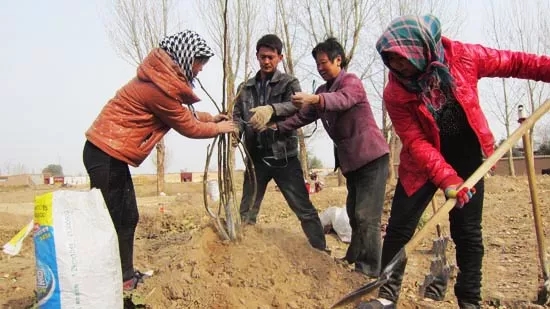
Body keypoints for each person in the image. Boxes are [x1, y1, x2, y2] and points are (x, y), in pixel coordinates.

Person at [359, 14, 550, 309]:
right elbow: (416, 141)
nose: (397, 67)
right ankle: (386, 295)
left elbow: (514, 62)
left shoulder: (464, 57)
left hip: (467, 157)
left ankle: (469, 300)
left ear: (422, 49)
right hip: (422, 164)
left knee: (468, 232)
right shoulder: (395, 93)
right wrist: (446, 179)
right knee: (399, 228)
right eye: (391, 60)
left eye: (402, 59)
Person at [83, 30, 236, 291]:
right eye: (199, 63)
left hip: (107, 153)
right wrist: (220, 128)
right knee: (119, 218)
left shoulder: (161, 84)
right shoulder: (158, 90)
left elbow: (185, 114)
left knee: (125, 217)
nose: (199, 70)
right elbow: (188, 126)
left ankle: (122, 275)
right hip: (105, 153)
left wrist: (213, 118)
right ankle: (119, 279)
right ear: (185, 58)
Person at [270, 38, 390, 278]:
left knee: (367, 216)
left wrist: (314, 100)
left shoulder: (351, 82)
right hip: (353, 163)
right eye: (317, 64)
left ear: (338, 60)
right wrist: (277, 127)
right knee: (354, 212)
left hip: (372, 158)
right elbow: (303, 117)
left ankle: (370, 271)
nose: (320, 68)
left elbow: (341, 100)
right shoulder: (322, 91)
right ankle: (355, 257)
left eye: (324, 62)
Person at [232, 34, 327, 251]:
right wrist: (235, 131)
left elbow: (298, 106)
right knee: (247, 211)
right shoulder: (244, 87)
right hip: (255, 158)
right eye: (262, 57)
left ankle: (321, 252)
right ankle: (242, 254)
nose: (266, 61)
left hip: (284, 157)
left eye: (271, 57)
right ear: (256, 56)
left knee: (303, 208)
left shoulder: (289, 83)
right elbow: (237, 114)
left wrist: (272, 110)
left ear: (280, 57)